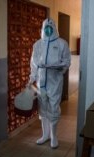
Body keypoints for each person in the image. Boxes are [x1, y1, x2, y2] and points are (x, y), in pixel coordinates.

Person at [27, 18, 71, 149]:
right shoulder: (37, 45)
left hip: (54, 83)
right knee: (43, 110)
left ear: (55, 28)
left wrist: (59, 67)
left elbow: (67, 61)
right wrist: (31, 79)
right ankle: (45, 135)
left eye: (50, 27)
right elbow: (33, 65)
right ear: (42, 28)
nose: (48, 29)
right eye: (46, 27)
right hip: (41, 84)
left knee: (53, 109)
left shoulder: (62, 43)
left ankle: (54, 136)